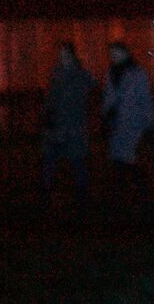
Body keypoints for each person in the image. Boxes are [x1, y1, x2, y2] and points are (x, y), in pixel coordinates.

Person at [41, 41, 95, 206]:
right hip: (58, 126)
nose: (62, 57)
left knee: (76, 160)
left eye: (65, 54)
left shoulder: (80, 75)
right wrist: (48, 117)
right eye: (61, 54)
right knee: (51, 160)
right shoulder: (57, 73)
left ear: (72, 55)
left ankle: (82, 193)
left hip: (72, 125)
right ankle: (47, 191)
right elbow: (51, 98)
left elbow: (86, 94)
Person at [102, 42, 154, 186]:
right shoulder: (111, 73)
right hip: (116, 123)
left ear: (125, 53)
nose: (113, 56)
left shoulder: (138, 73)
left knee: (130, 159)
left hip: (133, 122)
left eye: (116, 53)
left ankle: (136, 192)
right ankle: (125, 193)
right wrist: (106, 113)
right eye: (112, 54)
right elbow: (108, 95)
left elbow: (146, 99)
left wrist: (149, 124)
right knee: (118, 160)